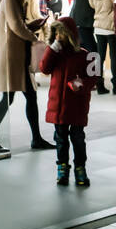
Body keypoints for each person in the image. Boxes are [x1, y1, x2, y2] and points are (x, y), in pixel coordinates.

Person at [0, 0, 52, 153]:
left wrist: (30, 26)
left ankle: (36, 138)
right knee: (9, 97)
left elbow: (17, 24)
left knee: (27, 95)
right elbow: (15, 26)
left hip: (16, 53)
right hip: (13, 55)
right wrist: (33, 36)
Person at [39, 17, 96, 186]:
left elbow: (94, 77)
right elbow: (44, 68)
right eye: (56, 32)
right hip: (58, 106)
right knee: (61, 139)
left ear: (69, 34)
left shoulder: (85, 55)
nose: (58, 36)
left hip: (77, 105)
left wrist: (79, 84)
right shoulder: (54, 54)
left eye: (61, 32)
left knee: (78, 138)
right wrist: (53, 47)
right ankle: (62, 168)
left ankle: (80, 168)